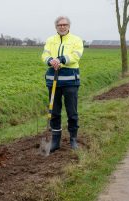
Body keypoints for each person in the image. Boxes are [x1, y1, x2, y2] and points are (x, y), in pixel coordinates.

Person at [41, 16, 84, 152]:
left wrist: (61, 59)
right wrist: (50, 61)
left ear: (69, 26)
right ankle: (55, 140)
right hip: (53, 81)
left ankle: (73, 139)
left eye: (65, 24)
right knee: (54, 111)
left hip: (70, 80)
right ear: (56, 27)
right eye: (59, 25)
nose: (62, 27)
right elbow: (44, 55)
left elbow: (76, 55)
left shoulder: (76, 40)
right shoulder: (50, 40)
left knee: (72, 111)